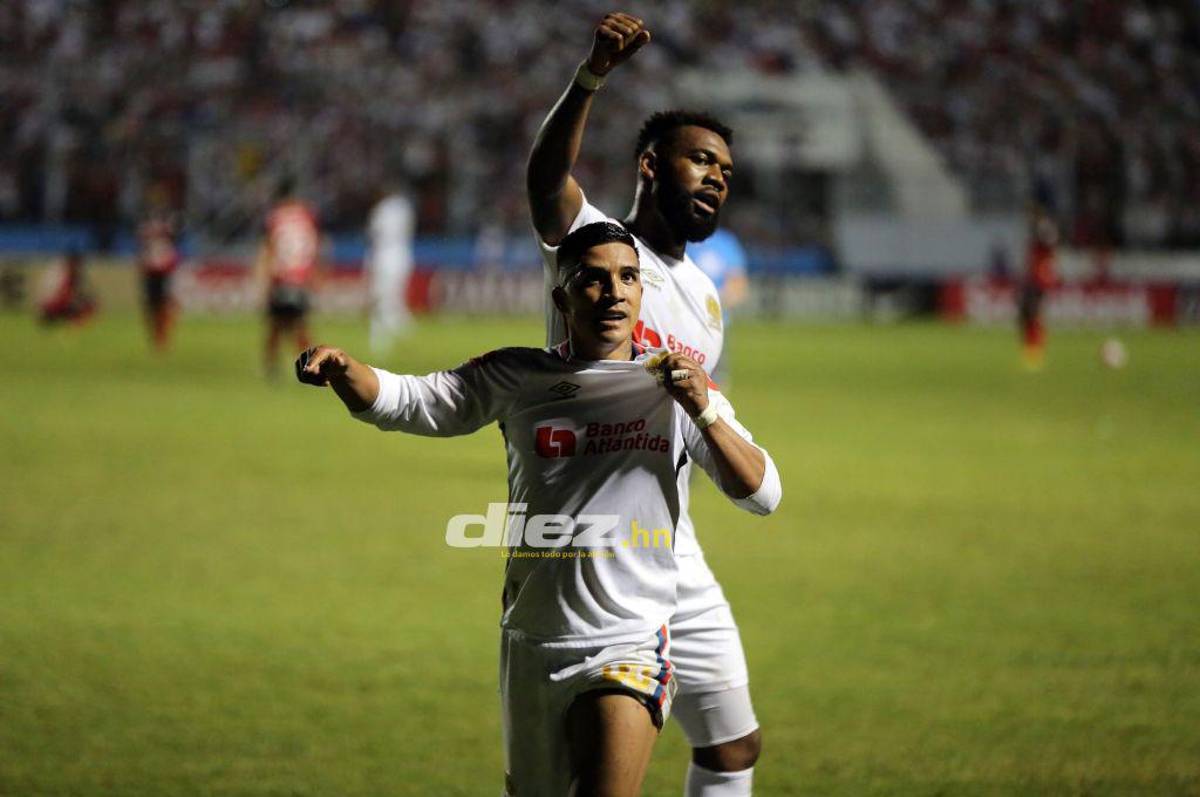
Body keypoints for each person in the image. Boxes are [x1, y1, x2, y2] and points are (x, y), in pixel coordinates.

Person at [296, 222, 781, 796]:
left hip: (628, 642)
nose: (615, 292)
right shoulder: (519, 376)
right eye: (593, 279)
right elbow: (414, 401)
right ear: (562, 297)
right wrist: (345, 370)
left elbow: (762, 493)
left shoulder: (674, 386)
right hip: (530, 641)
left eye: (628, 277)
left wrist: (703, 409)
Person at [527, 12, 762, 794]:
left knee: (733, 744)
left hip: (672, 540)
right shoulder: (595, 245)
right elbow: (546, 180)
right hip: (594, 540)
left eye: (726, 169)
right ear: (651, 166)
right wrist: (590, 75)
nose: (718, 176)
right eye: (702, 160)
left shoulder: (704, 299)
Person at [256, 177, 321, 378]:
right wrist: (315, 275)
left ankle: (272, 367)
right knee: (300, 325)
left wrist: (262, 277)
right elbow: (315, 246)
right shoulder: (307, 215)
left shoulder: (275, 217)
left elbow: (269, 248)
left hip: (281, 276)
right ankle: (311, 367)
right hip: (300, 276)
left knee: (276, 325)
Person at [688, 228, 749, 386]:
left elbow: (738, 285)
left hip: (716, 326)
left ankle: (714, 410)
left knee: (715, 380)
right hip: (685, 324)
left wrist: (711, 305)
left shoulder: (726, 243)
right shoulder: (682, 240)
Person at [365, 185, 416, 354]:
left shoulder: (381, 209)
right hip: (403, 255)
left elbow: (374, 234)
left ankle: (385, 335)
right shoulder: (404, 207)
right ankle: (402, 328)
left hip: (384, 256)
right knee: (395, 298)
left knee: (381, 299)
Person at [137, 203, 181, 351]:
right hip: (150, 268)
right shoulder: (144, 224)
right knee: (151, 304)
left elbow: (173, 237)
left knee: (165, 303)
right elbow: (142, 240)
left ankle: (164, 336)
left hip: (164, 268)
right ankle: (156, 336)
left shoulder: (170, 221)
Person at [1019, 205, 1058, 370]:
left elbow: (1051, 246)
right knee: (1027, 312)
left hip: (1040, 278)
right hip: (1033, 277)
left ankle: (1036, 350)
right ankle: (1031, 348)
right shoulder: (1036, 229)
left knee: (1034, 312)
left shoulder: (1044, 228)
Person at [39, 249, 96, 326]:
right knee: (88, 304)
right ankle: (75, 323)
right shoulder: (67, 272)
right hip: (56, 304)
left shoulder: (58, 268)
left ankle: (62, 319)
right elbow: (64, 292)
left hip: (50, 304)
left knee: (84, 302)